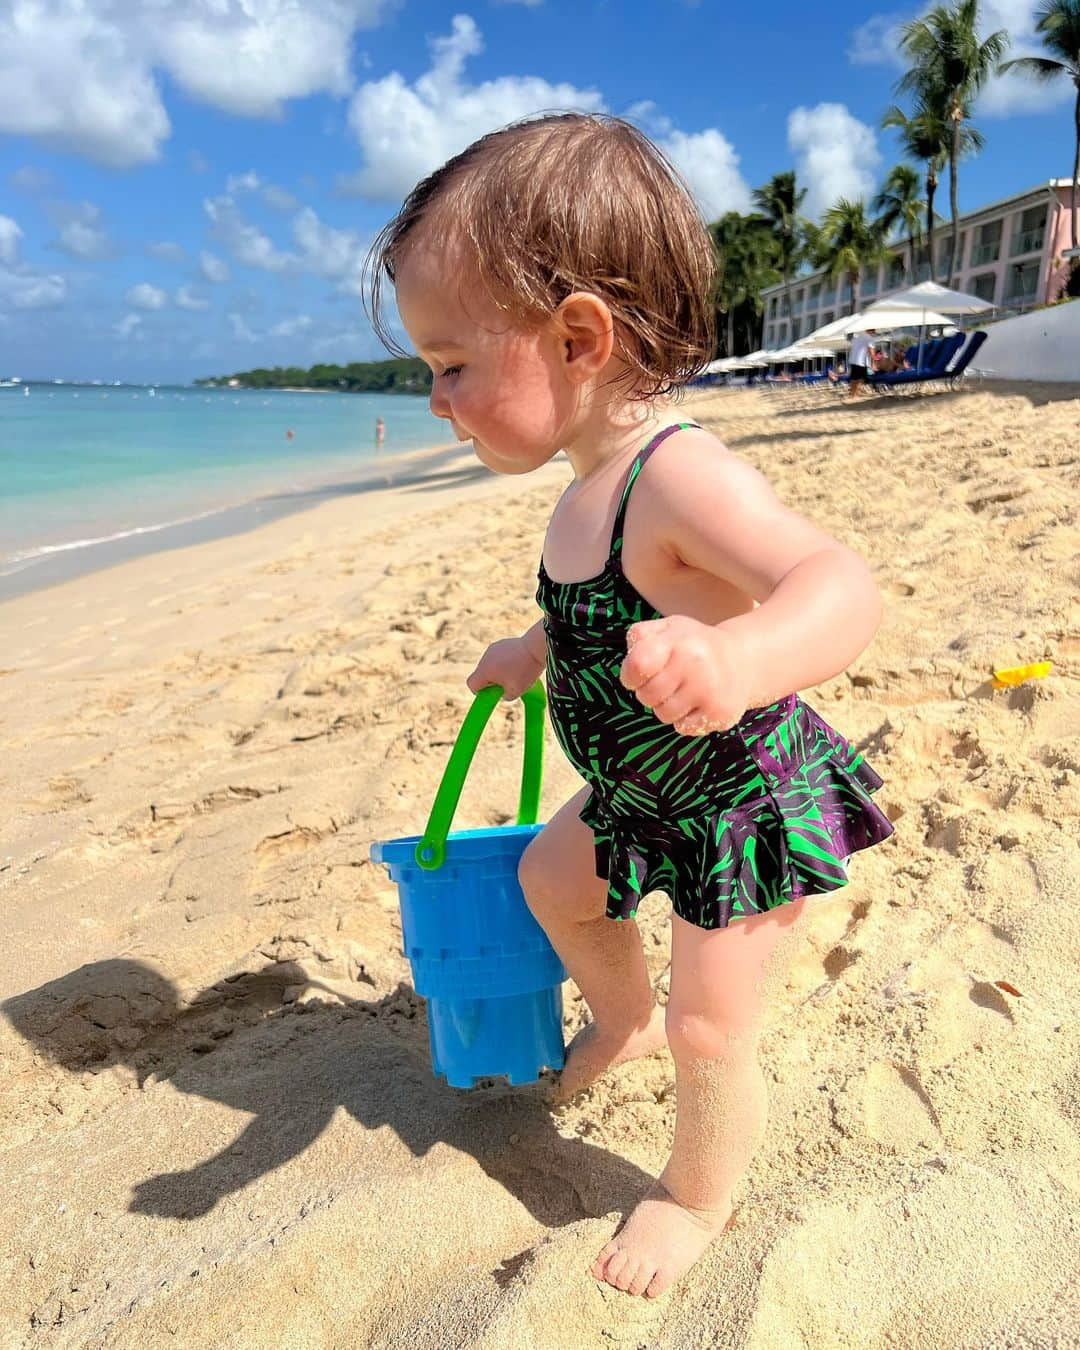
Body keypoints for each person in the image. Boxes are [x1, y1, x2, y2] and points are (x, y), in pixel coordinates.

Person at [366, 113, 894, 1301]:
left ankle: (698, 1195)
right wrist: (528, 649)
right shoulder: (585, 487)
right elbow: (593, 615)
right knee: (551, 881)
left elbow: (839, 585)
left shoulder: (681, 474)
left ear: (579, 337)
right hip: (642, 787)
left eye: (452, 363)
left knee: (716, 1025)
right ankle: (622, 1015)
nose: (438, 397)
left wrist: (747, 657)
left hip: (735, 802)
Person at [847, 328, 876, 398]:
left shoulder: (857, 337)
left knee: (854, 379)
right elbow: (871, 352)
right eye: (874, 331)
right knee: (861, 379)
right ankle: (855, 395)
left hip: (853, 360)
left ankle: (852, 395)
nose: (875, 333)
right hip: (861, 361)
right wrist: (873, 364)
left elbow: (851, 348)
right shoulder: (870, 339)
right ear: (872, 331)